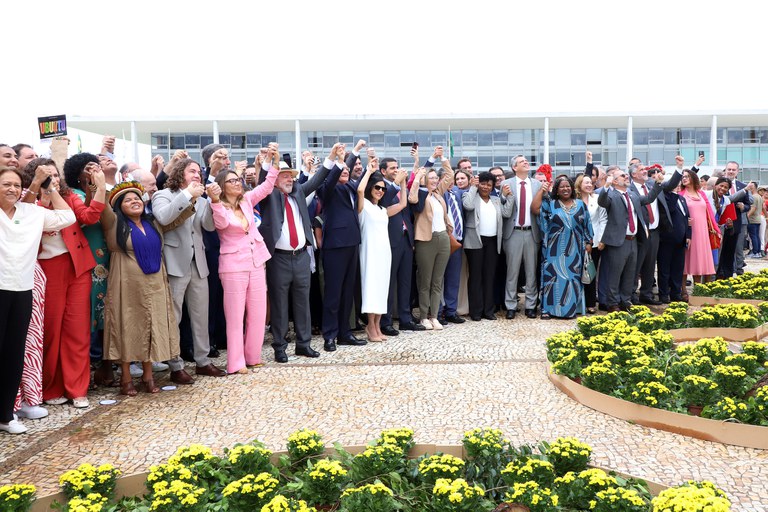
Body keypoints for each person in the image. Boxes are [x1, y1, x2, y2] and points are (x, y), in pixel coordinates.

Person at [23, 158, 105, 409]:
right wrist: (42, 192)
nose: (54, 180)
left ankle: (77, 388)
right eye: (47, 176)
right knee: (51, 330)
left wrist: (100, 187)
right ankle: (50, 387)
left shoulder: (69, 197)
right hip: (46, 269)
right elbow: (24, 218)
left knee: (77, 330)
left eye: (56, 175)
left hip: (77, 266)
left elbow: (90, 216)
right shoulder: (27, 201)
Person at [0, 165, 75, 434]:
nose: (12, 189)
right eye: (6, 184)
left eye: (16, 185)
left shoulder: (32, 212)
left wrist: (49, 187)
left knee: (13, 354)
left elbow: (67, 217)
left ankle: (5, 415)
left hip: (22, 289)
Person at [102, 182, 189, 396]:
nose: (134, 202)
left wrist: (192, 197)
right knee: (127, 325)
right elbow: (103, 208)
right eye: (128, 200)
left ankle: (148, 376)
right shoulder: (114, 223)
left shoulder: (153, 223)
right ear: (119, 207)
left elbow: (176, 218)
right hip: (126, 283)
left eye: (137, 198)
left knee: (151, 325)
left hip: (154, 283)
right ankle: (126, 378)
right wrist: (98, 183)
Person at [258, 144, 340, 362]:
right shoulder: (268, 195)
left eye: (291, 176)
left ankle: (304, 344)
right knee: (279, 304)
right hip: (279, 258)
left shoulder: (298, 192)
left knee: (303, 303)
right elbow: (262, 180)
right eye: (284, 175)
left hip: (301, 256)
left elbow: (318, 179)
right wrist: (269, 160)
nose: (289, 179)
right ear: (275, 178)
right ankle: (280, 346)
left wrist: (332, 157)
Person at [208, 148, 280, 374]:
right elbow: (221, 224)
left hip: (256, 261)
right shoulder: (217, 206)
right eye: (231, 181)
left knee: (258, 313)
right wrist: (215, 200)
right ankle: (236, 362)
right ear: (222, 186)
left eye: (237, 180)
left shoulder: (247, 200)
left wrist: (274, 163)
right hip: (233, 266)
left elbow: (267, 187)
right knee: (235, 316)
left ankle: (253, 356)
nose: (237, 183)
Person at [152, 158, 224, 382]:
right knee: (174, 316)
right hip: (174, 262)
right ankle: (175, 365)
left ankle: (203, 361)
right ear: (180, 173)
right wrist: (186, 195)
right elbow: (163, 217)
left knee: (201, 315)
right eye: (192, 171)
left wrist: (213, 201)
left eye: (198, 173)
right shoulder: (163, 195)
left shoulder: (201, 200)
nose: (197, 175)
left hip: (198, 263)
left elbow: (209, 226)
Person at [62, 153, 113, 387]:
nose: (93, 170)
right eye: (87, 167)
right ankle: (86, 370)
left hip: (105, 255)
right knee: (87, 313)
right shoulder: (72, 194)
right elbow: (86, 217)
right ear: (76, 172)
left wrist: (99, 186)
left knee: (105, 311)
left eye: (95, 165)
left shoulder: (103, 189)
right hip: (86, 257)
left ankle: (106, 366)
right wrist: (96, 188)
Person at [317, 142, 365, 352]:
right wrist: (340, 159)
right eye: (342, 169)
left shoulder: (349, 188)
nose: (346, 171)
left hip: (352, 243)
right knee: (333, 293)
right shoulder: (327, 189)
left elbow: (355, 175)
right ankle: (330, 335)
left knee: (347, 292)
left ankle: (345, 333)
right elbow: (332, 178)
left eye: (347, 169)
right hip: (335, 246)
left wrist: (355, 152)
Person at [597, 169, 662, 312]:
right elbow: (602, 202)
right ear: (615, 181)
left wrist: (658, 183)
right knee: (615, 273)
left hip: (633, 240)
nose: (626, 176)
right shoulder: (611, 195)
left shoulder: (632, 195)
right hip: (618, 241)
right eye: (622, 175)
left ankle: (625, 300)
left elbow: (649, 198)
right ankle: (613, 302)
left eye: (626, 175)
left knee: (630, 273)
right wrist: (606, 186)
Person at [357, 158, 407, 341]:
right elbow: (360, 190)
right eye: (377, 187)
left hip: (384, 253)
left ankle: (377, 326)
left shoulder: (381, 209)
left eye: (383, 189)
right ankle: (370, 326)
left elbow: (402, 204)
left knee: (382, 289)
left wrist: (403, 182)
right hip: (370, 252)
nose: (380, 191)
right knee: (371, 289)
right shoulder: (364, 207)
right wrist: (369, 171)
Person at [532, 176, 594, 319]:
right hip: (554, 249)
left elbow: (587, 225)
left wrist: (589, 243)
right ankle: (548, 310)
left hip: (575, 249)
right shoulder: (550, 204)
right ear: (557, 190)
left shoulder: (580, 204)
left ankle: (569, 311)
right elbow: (536, 210)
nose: (565, 189)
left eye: (568, 186)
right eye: (562, 187)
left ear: (572, 188)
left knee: (572, 280)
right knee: (552, 278)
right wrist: (542, 191)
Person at [379, 157, 426, 336]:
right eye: (392, 168)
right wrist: (396, 184)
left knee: (406, 281)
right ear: (383, 171)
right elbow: (382, 205)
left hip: (406, 239)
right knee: (389, 282)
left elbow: (410, 206)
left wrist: (405, 183)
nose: (396, 170)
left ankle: (405, 319)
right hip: (390, 240)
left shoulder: (400, 187)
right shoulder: (379, 186)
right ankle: (386, 321)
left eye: (397, 167)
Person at [629, 158, 683, 305]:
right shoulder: (629, 189)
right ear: (633, 174)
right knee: (636, 265)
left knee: (650, 265)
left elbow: (671, 185)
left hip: (655, 232)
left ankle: (646, 294)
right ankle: (632, 295)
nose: (645, 171)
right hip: (640, 232)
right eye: (641, 170)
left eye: (645, 169)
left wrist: (679, 167)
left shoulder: (653, 183)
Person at [409, 158, 454, 330]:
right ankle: (423, 316)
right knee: (425, 281)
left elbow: (449, 175)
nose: (435, 180)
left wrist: (443, 160)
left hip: (443, 238)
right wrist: (418, 177)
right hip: (425, 240)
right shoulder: (421, 195)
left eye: (436, 177)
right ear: (425, 180)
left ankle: (434, 316)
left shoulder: (438, 194)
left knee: (437, 281)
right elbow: (412, 198)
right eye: (431, 178)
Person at [462, 172, 513, 321]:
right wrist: (472, 187)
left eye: (489, 185)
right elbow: (468, 206)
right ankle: (476, 312)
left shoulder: (496, 200)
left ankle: (488, 311)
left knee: (489, 276)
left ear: (492, 187)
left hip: (493, 241)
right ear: (478, 184)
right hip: (475, 241)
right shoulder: (470, 196)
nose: (485, 187)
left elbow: (506, 213)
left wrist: (509, 196)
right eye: (483, 184)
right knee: (476, 276)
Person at [500, 156, 542, 319]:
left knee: (531, 271)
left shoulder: (537, 184)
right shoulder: (506, 184)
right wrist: (504, 196)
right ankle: (511, 305)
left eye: (526, 161)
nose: (526, 162)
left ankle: (531, 305)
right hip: (513, 233)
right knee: (512, 271)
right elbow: (502, 205)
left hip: (532, 232)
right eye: (522, 161)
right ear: (514, 167)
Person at [440, 160, 472, 324]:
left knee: (453, 278)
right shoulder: (439, 194)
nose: (452, 181)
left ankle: (451, 311)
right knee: (439, 279)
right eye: (449, 178)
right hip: (442, 241)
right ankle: (438, 311)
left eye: (453, 179)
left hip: (457, 242)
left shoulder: (458, 194)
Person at [679, 171, 720, 289]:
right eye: (683, 177)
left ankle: (698, 289)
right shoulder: (681, 194)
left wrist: (716, 229)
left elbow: (709, 212)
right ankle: (683, 290)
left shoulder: (701, 193)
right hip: (688, 232)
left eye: (687, 176)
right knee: (685, 260)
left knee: (700, 260)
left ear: (693, 178)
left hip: (702, 231)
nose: (684, 178)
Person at [574, 173, 606, 314]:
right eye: (585, 182)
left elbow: (603, 219)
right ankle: (576, 303)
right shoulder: (573, 201)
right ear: (579, 185)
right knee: (576, 272)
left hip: (594, 242)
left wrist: (601, 239)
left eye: (590, 183)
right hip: (576, 242)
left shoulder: (597, 199)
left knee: (590, 272)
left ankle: (591, 303)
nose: (589, 185)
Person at [657, 183, 691, 303]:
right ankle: (664, 294)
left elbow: (687, 218)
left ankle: (676, 293)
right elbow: (670, 210)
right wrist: (673, 194)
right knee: (664, 269)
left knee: (678, 268)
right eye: (674, 184)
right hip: (667, 239)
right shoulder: (666, 197)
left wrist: (688, 235)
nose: (677, 186)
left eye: (678, 184)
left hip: (681, 239)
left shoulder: (682, 199)